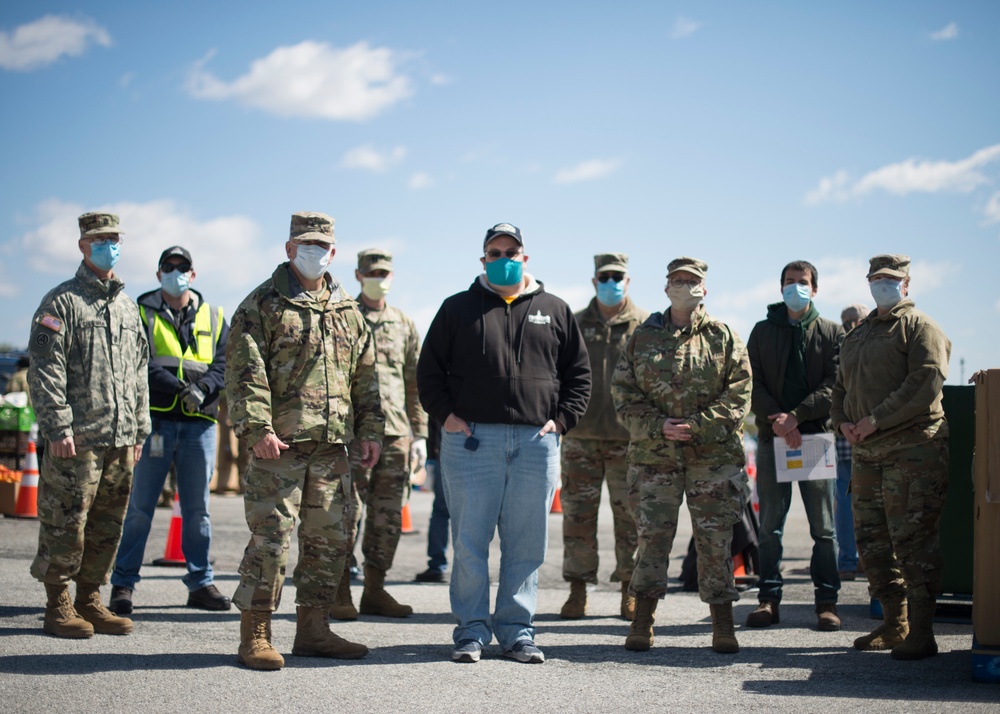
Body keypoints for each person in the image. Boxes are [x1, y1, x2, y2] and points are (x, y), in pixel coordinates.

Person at [418, 222, 591, 664]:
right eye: (494, 252)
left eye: (511, 251)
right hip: (471, 441)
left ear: (525, 257)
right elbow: (429, 374)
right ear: (483, 260)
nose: (503, 258)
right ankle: (471, 631)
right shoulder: (457, 309)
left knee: (527, 543)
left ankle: (517, 631)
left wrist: (561, 422)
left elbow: (579, 376)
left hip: (536, 442)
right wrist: (448, 418)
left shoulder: (555, 309)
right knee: (471, 541)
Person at [225, 212, 385, 671]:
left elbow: (366, 380)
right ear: (290, 248)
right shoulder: (263, 304)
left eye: (322, 245)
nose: (313, 252)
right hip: (280, 446)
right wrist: (257, 429)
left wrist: (371, 433)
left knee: (329, 540)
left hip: (334, 447)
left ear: (333, 253)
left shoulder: (349, 311)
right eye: (305, 244)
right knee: (271, 540)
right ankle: (255, 631)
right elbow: (243, 373)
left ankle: (314, 630)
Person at [611, 256, 751, 655]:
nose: (684, 286)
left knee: (715, 542)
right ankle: (642, 622)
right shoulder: (641, 337)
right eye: (677, 280)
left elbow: (739, 394)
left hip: (713, 459)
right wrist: (660, 426)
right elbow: (623, 394)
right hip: (655, 459)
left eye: (692, 281)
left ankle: (722, 624)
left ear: (704, 289)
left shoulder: (724, 337)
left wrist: (699, 424)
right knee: (652, 540)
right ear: (665, 286)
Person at [26, 211, 150, 639]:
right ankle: (57, 603)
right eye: (99, 239)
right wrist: (57, 426)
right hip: (76, 442)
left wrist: (139, 429)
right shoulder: (60, 303)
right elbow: (44, 368)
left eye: (114, 238)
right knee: (66, 521)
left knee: (107, 524)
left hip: (119, 438)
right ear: (82, 245)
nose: (108, 246)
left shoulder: (127, 306)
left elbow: (139, 370)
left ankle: (89, 598)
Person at [831, 254, 951, 661]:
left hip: (911, 450)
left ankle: (922, 630)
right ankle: (894, 623)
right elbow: (839, 389)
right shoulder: (857, 335)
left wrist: (876, 419)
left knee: (913, 540)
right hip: (866, 451)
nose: (883, 283)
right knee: (872, 541)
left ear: (906, 283)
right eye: (876, 277)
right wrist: (843, 423)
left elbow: (927, 380)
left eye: (891, 278)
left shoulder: (920, 327)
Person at [110, 246, 231, 614]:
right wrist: (181, 389)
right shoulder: (141, 312)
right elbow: (138, 362)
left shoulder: (213, 314)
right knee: (140, 508)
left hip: (199, 426)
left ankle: (200, 583)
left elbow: (225, 362)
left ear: (193, 274)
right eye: (169, 267)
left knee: (198, 511)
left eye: (183, 267)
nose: (175, 272)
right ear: (158, 272)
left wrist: (204, 388)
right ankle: (123, 584)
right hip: (156, 423)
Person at [745, 260, 844, 632]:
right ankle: (768, 600)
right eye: (789, 282)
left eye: (802, 283)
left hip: (815, 439)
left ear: (814, 289)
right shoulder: (762, 332)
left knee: (824, 529)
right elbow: (749, 382)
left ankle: (827, 603)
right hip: (773, 440)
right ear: (780, 287)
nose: (796, 288)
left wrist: (797, 417)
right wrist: (777, 418)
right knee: (770, 527)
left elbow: (836, 384)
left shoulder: (832, 332)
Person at [330, 248, 428, 621]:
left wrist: (419, 434)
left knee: (386, 516)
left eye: (385, 271)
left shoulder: (403, 323)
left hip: (396, 433)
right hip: (353, 433)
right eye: (372, 271)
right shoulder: (345, 319)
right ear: (358, 275)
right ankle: (340, 589)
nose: (379, 277)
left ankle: (374, 588)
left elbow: (414, 382)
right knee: (344, 512)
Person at [560, 253, 648, 621]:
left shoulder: (645, 325)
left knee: (630, 521)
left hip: (628, 440)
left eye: (618, 276)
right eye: (604, 276)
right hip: (580, 438)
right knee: (578, 519)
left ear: (627, 281)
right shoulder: (575, 323)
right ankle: (578, 591)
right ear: (594, 281)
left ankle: (629, 590)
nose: (611, 282)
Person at [834, 303, 869, 581]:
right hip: (870, 433)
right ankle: (864, 560)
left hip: (844, 433)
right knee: (871, 500)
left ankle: (847, 560)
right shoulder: (871, 343)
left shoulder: (840, 346)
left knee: (844, 501)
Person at [414, 418, 450, 583]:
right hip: (450, 446)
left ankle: (437, 566)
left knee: (441, 511)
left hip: (445, 447)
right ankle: (475, 570)